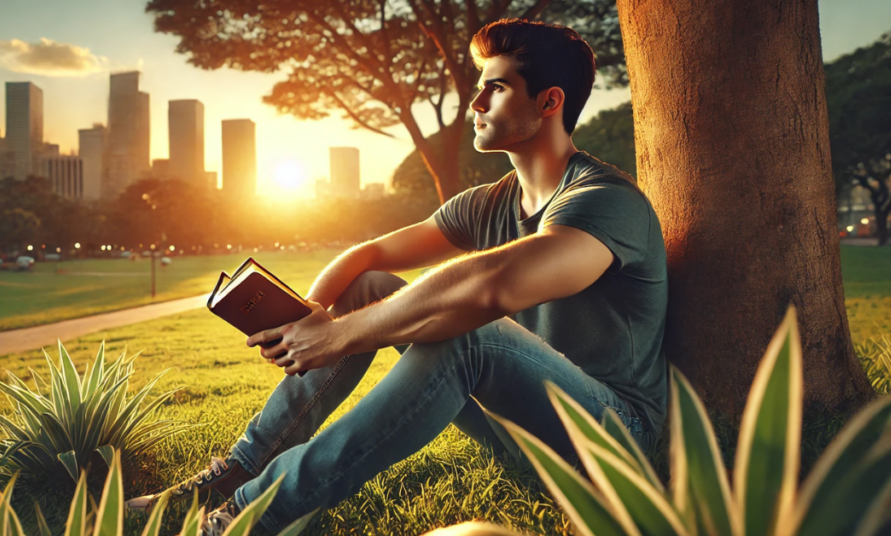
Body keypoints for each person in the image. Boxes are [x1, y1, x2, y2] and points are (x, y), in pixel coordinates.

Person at [127, 18, 669, 535]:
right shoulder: (487, 203)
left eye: (496, 89)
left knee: (467, 336)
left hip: (612, 438)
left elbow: (493, 285)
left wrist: (339, 335)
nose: (475, 104)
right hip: (512, 426)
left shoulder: (604, 200)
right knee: (365, 290)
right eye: (479, 88)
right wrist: (313, 316)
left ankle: (251, 514)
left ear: (549, 101)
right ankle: (241, 469)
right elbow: (368, 255)